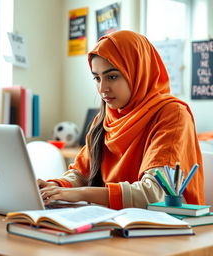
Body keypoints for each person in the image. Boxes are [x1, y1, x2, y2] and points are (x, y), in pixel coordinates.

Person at [39, 30, 205, 209]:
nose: (102, 88)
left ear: (138, 71)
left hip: (164, 228)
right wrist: (57, 186)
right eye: (97, 78)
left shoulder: (172, 114)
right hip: (113, 222)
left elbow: (153, 194)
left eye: (112, 77)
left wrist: (81, 193)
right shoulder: (105, 118)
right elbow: (81, 172)